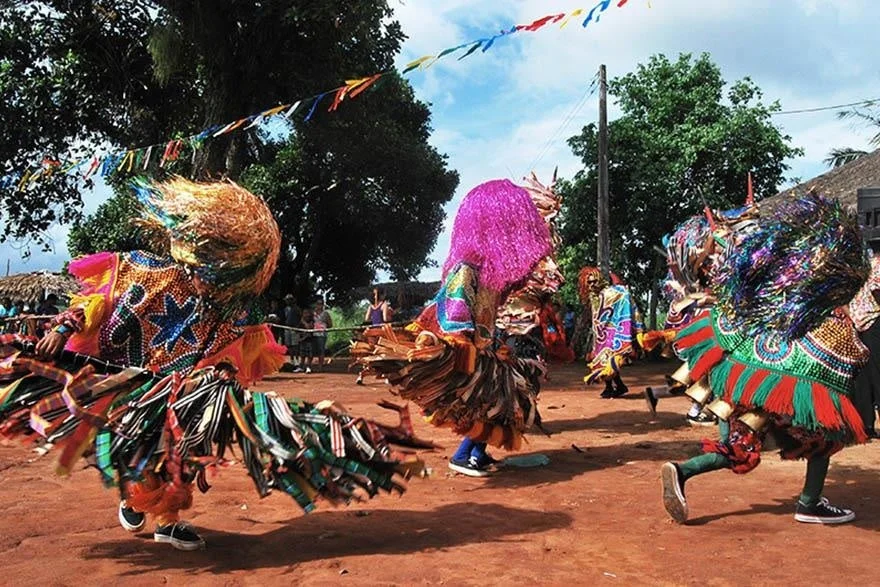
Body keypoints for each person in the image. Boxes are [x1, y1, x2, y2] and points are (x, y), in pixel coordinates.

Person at [0, 177, 418, 550]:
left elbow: (226, 354)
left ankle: (169, 520)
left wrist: (222, 381)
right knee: (139, 461)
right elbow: (94, 304)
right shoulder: (141, 271)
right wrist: (63, 325)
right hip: (124, 386)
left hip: (179, 395)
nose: (211, 284)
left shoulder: (224, 313)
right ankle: (136, 497)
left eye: (223, 277)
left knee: (181, 456)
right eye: (211, 271)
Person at [660, 193, 872, 525]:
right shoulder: (815, 313)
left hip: (738, 383)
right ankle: (807, 503)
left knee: (745, 447)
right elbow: (836, 365)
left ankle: (685, 472)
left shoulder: (766, 302)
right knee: (821, 438)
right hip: (761, 391)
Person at [354, 177, 562, 477]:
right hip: (465, 349)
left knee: (505, 404)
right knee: (484, 404)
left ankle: (477, 453)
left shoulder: (491, 271)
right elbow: (455, 308)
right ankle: (465, 455)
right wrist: (462, 343)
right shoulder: (465, 268)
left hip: (487, 349)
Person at [355, 288, 391, 385]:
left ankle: (361, 375)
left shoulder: (371, 307)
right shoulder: (384, 305)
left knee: (371, 353)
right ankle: (386, 375)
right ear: (382, 295)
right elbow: (385, 319)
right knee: (385, 354)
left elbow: (367, 319)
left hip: (371, 333)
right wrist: (390, 314)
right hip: (381, 333)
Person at [282, 294, 302, 372]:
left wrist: (298, 327)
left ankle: (297, 362)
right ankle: (292, 360)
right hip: (287, 328)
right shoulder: (286, 309)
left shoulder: (297, 309)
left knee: (295, 345)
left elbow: (300, 318)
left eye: (288, 300)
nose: (287, 302)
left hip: (294, 328)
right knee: (289, 345)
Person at [313, 298, 333, 369]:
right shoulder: (313, 313)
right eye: (318, 304)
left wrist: (323, 326)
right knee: (313, 349)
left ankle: (320, 365)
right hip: (313, 333)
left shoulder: (325, 314)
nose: (319, 306)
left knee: (321, 349)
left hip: (322, 334)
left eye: (321, 304)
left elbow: (330, 324)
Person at [299, 306, 316, 373]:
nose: (306, 314)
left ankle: (308, 367)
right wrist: (300, 338)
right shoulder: (301, 321)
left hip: (310, 340)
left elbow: (309, 328)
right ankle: (301, 367)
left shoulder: (311, 321)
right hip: (303, 340)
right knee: (302, 354)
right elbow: (298, 330)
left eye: (307, 313)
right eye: (304, 313)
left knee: (310, 355)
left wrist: (304, 322)